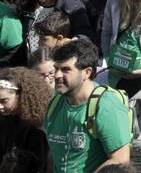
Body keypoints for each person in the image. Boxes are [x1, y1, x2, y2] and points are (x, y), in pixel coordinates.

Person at [45, 37, 132, 173]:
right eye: (56, 68)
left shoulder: (106, 106)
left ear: (87, 72)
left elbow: (120, 160)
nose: (57, 75)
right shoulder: (55, 103)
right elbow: (54, 152)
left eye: (66, 69)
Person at [0, 65, 51, 170]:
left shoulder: (37, 128)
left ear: (21, 95)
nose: (0, 106)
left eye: (4, 101)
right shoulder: (6, 119)